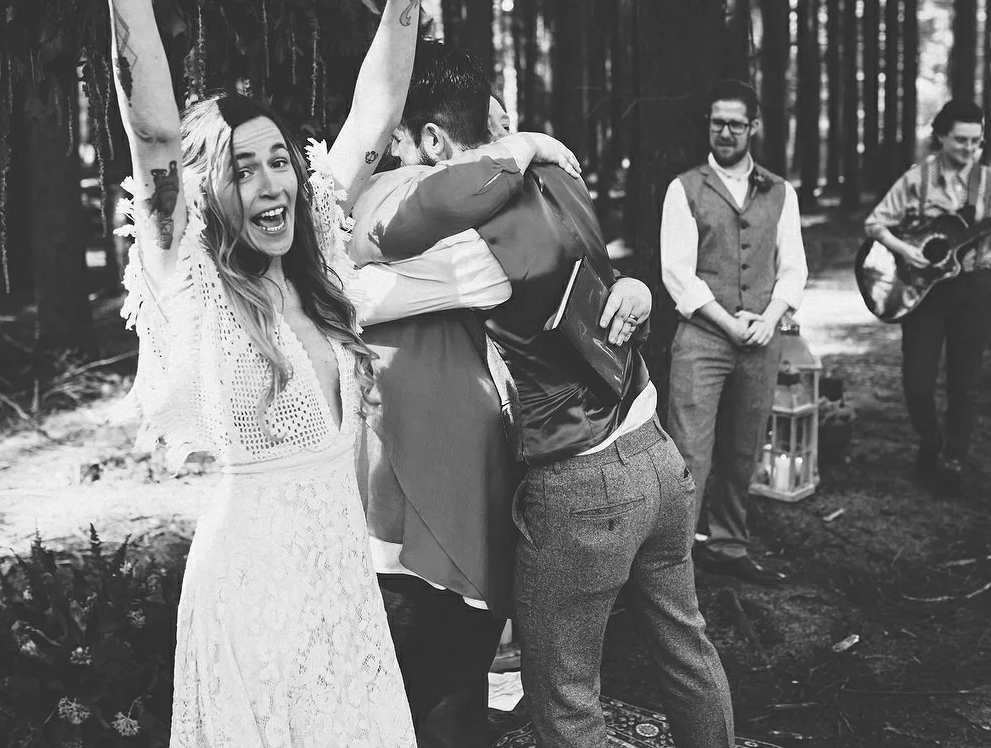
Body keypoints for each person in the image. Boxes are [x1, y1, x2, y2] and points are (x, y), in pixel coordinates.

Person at [49, 0, 445, 744]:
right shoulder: (193, 276)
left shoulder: (322, 265)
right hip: (252, 586)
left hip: (340, 577)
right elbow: (152, 127)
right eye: (246, 169)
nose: (273, 186)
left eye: (280, 163)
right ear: (209, 190)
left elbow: (376, 111)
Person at [353, 47, 734, 748]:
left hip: (582, 484)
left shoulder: (471, 245)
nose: (395, 169)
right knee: (688, 653)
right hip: (657, 453)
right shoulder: (560, 175)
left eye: (399, 151)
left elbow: (362, 281)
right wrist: (529, 144)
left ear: (432, 141)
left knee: (564, 701)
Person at [344, 50, 582, 748]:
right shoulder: (436, 207)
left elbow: (356, 291)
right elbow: (373, 283)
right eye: (491, 136)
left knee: (446, 687)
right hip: (417, 494)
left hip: (447, 482)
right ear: (437, 142)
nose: (498, 160)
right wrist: (528, 147)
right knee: (425, 692)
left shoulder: (392, 202)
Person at [864, 100, 991, 495]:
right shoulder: (917, 179)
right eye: (961, 140)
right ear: (941, 137)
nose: (969, 148)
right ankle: (930, 437)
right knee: (917, 381)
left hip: (974, 289)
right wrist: (904, 249)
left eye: (977, 141)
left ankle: (954, 456)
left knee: (964, 382)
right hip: (922, 291)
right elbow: (875, 222)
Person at [660, 82, 807, 586]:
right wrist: (728, 323)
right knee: (690, 452)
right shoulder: (684, 188)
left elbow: (794, 269)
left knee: (743, 449)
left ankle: (727, 544)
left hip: (762, 339)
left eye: (736, 124)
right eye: (717, 122)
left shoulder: (780, 192)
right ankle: (672, 564)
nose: (725, 132)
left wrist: (770, 320)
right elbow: (677, 273)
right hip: (703, 340)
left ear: (754, 127)